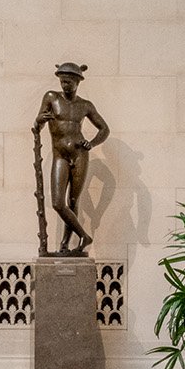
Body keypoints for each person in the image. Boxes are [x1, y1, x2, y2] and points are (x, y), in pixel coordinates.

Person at [34, 62, 110, 255]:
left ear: (78, 82)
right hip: (60, 155)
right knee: (58, 203)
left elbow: (104, 129)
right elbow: (38, 124)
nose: (64, 85)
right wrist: (38, 122)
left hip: (79, 154)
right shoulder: (52, 97)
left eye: (68, 82)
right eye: (62, 81)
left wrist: (91, 144)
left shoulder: (85, 106)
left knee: (74, 201)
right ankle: (84, 235)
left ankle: (65, 245)